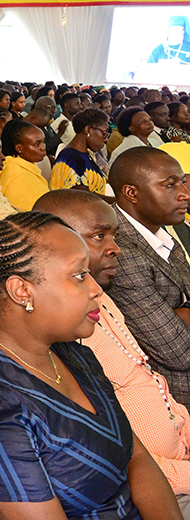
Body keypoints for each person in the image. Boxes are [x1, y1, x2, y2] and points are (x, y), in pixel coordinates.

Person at [0, 212, 183, 520]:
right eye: (79, 276)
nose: (96, 290)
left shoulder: (74, 355)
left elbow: (137, 458)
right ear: (21, 291)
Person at [35, 189, 190, 511]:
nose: (115, 248)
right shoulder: (62, 329)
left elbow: (147, 380)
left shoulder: (101, 297)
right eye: (99, 236)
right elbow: (118, 457)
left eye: (115, 235)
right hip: (161, 485)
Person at [108, 147, 190, 407]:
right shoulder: (120, 252)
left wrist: (180, 312)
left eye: (182, 183)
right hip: (176, 398)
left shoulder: (162, 233)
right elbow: (178, 353)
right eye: (170, 185)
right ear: (132, 193)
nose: (184, 194)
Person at [50, 108, 110, 194]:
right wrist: (117, 201)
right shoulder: (71, 159)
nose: (106, 139)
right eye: (104, 133)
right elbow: (84, 197)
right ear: (88, 130)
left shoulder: (87, 153)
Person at [0, 119, 49, 211]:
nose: (43, 147)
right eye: (37, 144)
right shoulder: (13, 172)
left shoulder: (26, 165)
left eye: (43, 142)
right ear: (19, 148)